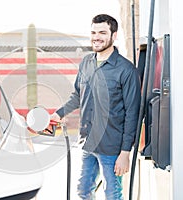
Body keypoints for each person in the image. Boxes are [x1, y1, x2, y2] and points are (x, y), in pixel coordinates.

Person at [51, 14, 141, 199]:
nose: (96, 37)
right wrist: (58, 114)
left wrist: (125, 153)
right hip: (88, 143)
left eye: (102, 32)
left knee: (112, 195)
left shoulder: (126, 70)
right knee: (83, 191)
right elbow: (78, 95)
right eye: (93, 32)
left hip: (112, 148)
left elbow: (133, 113)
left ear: (113, 35)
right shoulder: (86, 63)